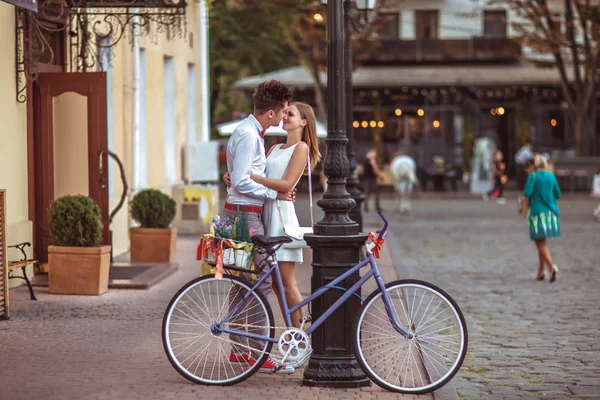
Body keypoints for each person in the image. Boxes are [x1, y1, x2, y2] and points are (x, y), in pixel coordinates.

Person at [223, 102, 321, 330]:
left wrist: (251, 177)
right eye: (284, 112)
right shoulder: (274, 148)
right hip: (264, 213)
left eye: (291, 114)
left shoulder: (302, 148)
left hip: (281, 218)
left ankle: (297, 337)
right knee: (273, 283)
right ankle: (290, 337)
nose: (284, 116)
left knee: (286, 282)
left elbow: (286, 184)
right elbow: (252, 174)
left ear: (303, 122)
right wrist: (234, 176)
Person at [224, 80, 295, 373]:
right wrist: (274, 193)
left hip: (241, 213)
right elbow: (241, 180)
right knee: (260, 282)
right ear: (269, 112)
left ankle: (241, 349)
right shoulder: (250, 136)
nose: (282, 118)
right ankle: (256, 351)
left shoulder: (247, 132)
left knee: (243, 282)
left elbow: (236, 177)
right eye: (281, 113)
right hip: (245, 216)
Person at [520, 154, 561, 282]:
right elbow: (557, 194)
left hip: (537, 214)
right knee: (542, 242)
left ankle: (551, 266)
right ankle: (541, 271)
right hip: (551, 214)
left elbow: (527, 193)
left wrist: (523, 207)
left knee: (540, 242)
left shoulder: (533, 176)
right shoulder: (551, 176)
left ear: (535, 165)